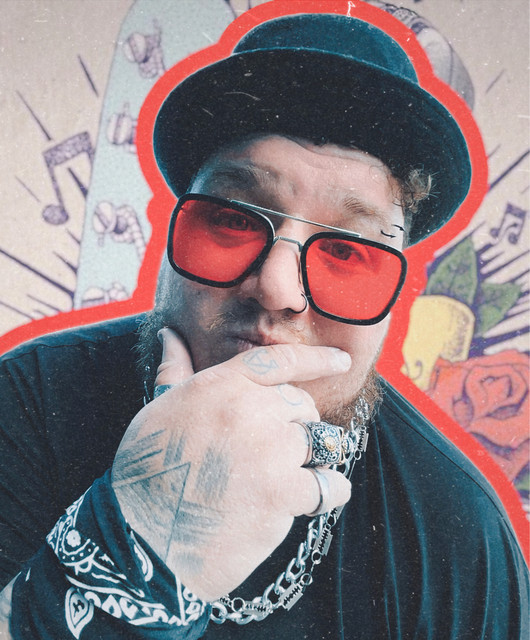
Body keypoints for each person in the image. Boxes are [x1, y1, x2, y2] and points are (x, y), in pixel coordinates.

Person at [0, 8, 528, 639]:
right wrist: (140, 542)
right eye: (233, 220)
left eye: (345, 251)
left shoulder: (457, 532)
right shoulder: (28, 400)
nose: (277, 287)